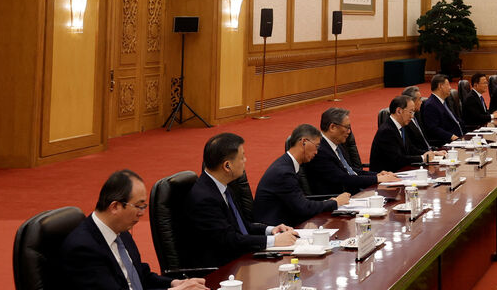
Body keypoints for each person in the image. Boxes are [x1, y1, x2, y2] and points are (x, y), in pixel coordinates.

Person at [62, 169, 206, 290]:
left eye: (144, 206)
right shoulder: (83, 248)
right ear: (115, 207)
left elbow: (141, 275)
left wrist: (174, 283)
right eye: (138, 206)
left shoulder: (121, 230)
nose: (142, 213)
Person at [187, 133, 297, 267]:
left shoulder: (224, 187)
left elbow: (241, 226)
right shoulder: (205, 198)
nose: (245, 160)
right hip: (222, 270)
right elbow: (229, 239)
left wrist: (271, 230)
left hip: (240, 258)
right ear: (227, 166)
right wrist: (274, 241)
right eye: (242, 157)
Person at [253, 124, 350, 227]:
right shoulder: (283, 172)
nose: (317, 152)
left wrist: (329, 202)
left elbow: (300, 202)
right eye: (316, 146)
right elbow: (303, 207)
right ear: (304, 142)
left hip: (287, 222)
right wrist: (334, 203)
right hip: (275, 231)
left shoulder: (287, 164)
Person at [303, 108, 399, 194]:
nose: (349, 132)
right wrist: (377, 179)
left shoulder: (335, 144)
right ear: (332, 127)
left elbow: (350, 170)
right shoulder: (319, 151)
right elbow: (343, 178)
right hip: (339, 200)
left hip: (354, 192)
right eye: (347, 127)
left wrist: (377, 174)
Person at [371, 95, 435, 172]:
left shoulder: (401, 126)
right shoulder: (387, 131)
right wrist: (422, 158)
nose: (412, 116)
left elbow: (411, 149)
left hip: (401, 171)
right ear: (399, 111)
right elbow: (397, 159)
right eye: (410, 112)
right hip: (388, 175)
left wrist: (431, 153)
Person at [421, 74, 464, 145]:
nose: (450, 88)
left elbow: (456, 121)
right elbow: (433, 128)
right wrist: (452, 137)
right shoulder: (430, 105)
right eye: (448, 85)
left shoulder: (445, 101)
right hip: (447, 142)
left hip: (460, 138)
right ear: (440, 86)